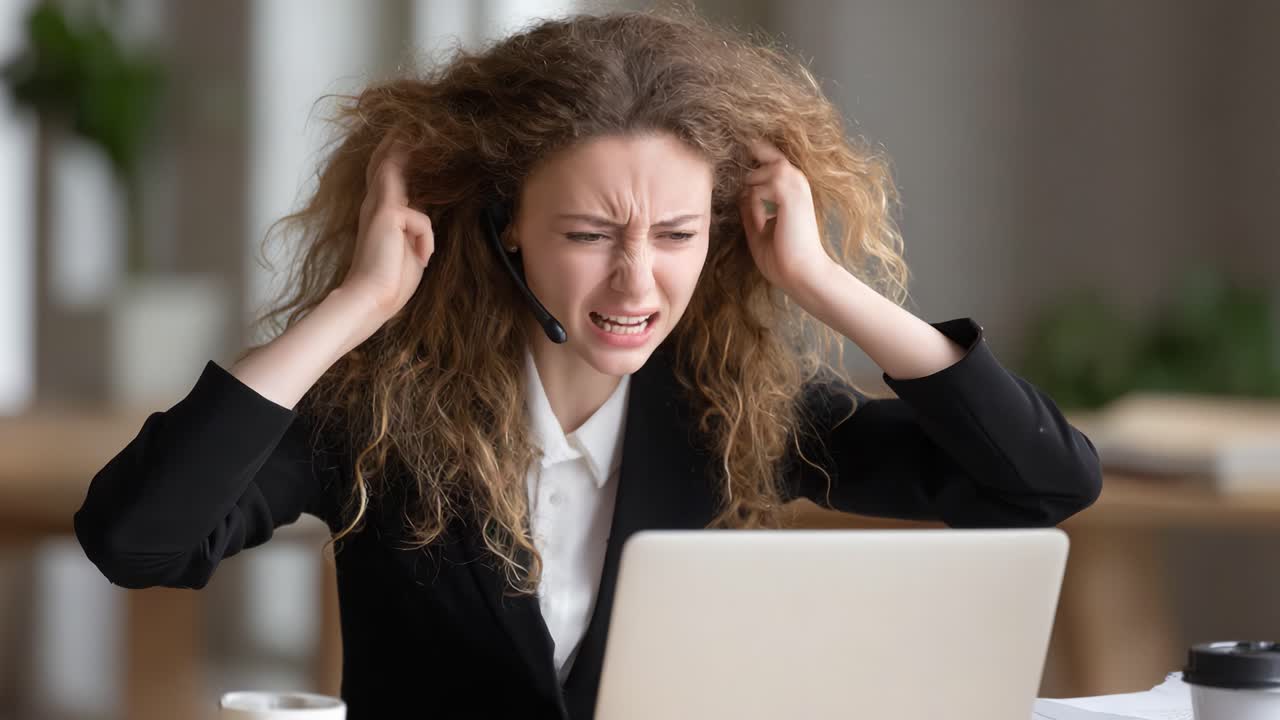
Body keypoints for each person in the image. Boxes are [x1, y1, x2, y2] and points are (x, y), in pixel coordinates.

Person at [73, 8, 1102, 720]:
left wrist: (821, 280)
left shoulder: (731, 408)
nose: (635, 286)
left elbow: (1042, 483)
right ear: (505, 228)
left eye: (675, 235)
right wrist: (358, 304)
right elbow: (138, 541)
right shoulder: (381, 413)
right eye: (588, 235)